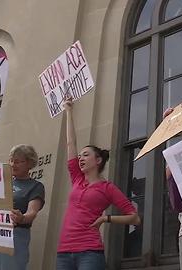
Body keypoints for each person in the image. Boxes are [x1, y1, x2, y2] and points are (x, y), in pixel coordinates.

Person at [56, 99, 141, 270]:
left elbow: (134, 217)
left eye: (86, 155)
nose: (80, 158)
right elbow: (70, 143)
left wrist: (105, 218)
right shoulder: (77, 178)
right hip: (64, 252)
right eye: (80, 156)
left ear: (98, 160)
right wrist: (68, 111)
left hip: (89, 252)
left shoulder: (107, 188)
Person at [0, 145, 45, 270]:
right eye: (11, 160)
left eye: (17, 161)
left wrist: (21, 218)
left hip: (15, 234)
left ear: (29, 163)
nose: (12, 164)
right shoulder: (0, 181)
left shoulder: (35, 186)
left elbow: (32, 213)